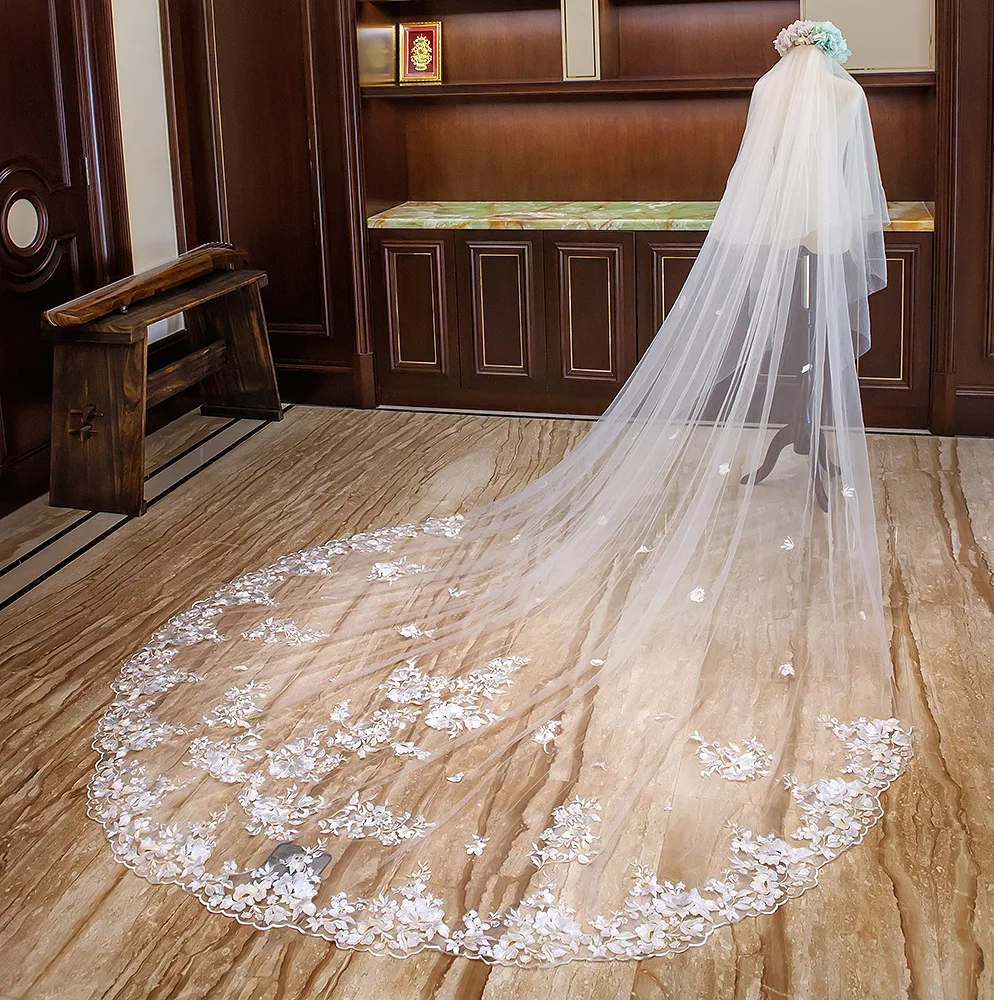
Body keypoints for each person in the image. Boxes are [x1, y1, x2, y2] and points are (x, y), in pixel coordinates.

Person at [89, 20, 913, 967]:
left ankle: (792, 431)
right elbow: (854, 197)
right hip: (805, 249)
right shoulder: (840, 93)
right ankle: (801, 435)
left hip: (776, 247)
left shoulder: (779, 90)